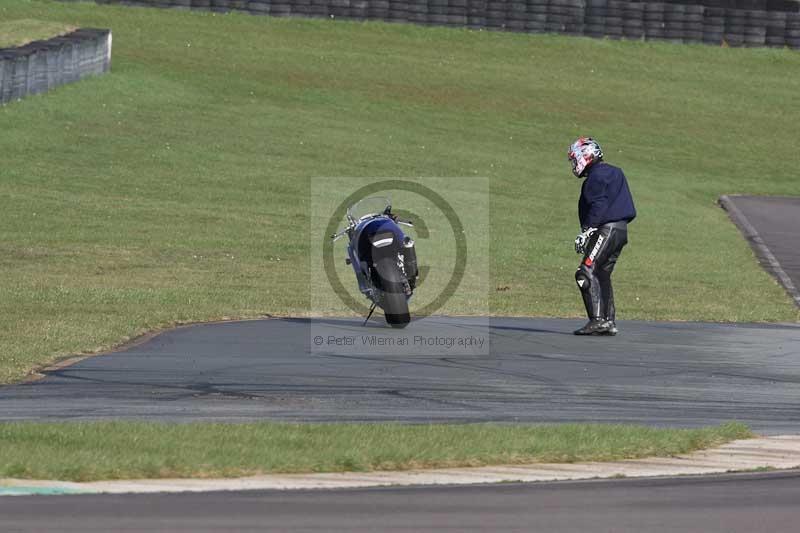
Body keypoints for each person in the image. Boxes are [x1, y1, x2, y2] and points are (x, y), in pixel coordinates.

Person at [567, 137, 636, 336]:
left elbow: (600, 204)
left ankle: (597, 320)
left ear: (586, 156)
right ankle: (608, 321)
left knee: (585, 271)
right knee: (601, 274)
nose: (574, 164)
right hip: (620, 230)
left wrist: (589, 229)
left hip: (605, 229)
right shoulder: (616, 172)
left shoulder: (596, 177)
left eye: (575, 159)